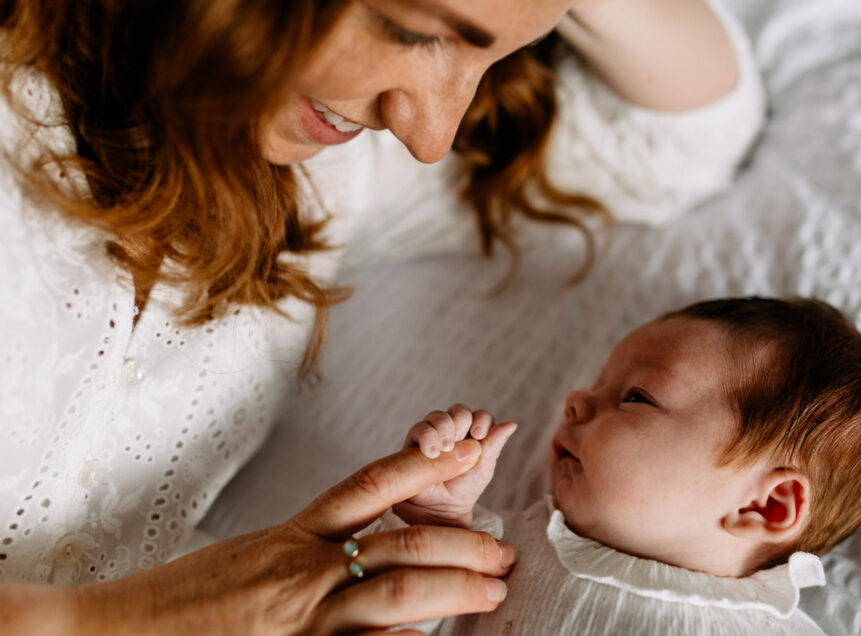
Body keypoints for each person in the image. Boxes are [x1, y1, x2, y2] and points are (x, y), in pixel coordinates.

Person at [0, 0, 764, 631]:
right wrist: (120, 619)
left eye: (491, 57)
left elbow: (681, 141)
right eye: (418, 32)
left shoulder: (330, 167)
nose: (430, 135)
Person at [378, 297, 861, 634]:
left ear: (766, 504)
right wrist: (435, 517)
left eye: (636, 397)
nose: (577, 400)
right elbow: (393, 606)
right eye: (600, 384)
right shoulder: (499, 548)